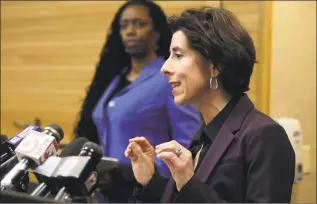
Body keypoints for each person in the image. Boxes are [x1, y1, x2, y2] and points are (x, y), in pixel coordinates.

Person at [125, 6, 296, 203]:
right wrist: (149, 181)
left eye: (178, 55)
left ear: (215, 66)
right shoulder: (201, 136)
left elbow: (194, 193)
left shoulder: (264, 135)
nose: (165, 68)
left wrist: (188, 183)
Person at [74, 0, 201, 202]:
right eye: (124, 26)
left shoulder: (170, 80)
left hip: (145, 193)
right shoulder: (114, 81)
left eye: (139, 24)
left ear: (157, 33)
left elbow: (187, 146)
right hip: (104, 195)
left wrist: (131, 173)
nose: (130, 31)